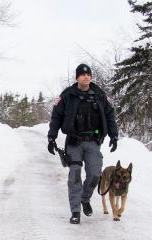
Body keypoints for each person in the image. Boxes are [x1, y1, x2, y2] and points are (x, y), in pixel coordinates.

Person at [47, 63, 119, 224]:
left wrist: (114, 135)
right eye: (82, 74)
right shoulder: (67, 95)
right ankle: (75, 211)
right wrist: (51, 138)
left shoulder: (99, 95)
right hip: (74, 141)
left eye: (88, 74)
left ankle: (85, 199)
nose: (86, 76)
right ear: (77, 77)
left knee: (95, 175)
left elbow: (110, 115)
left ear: (91, 77)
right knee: (75, 174)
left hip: (93, 141)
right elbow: (56, 117)